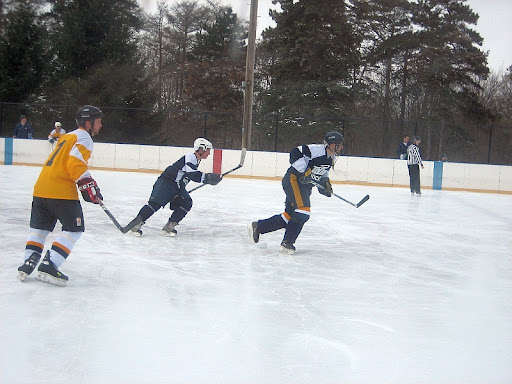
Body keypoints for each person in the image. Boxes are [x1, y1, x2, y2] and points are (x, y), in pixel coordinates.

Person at [17, 105, 104, 286]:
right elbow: (75, 164)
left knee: (40, 229)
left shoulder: (67, 136)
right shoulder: (85, 138)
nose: (100, 125)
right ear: (88, 123)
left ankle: (29, 260)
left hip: (41, 188)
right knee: (74, 228)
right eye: (98, 122)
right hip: (61, 190)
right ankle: (50, 263)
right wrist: (88, 185)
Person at [249, 131, 344, 254]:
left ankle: (259, 227)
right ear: (331, 145)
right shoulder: (316, 150)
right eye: (339, 145)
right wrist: (303, 171)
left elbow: (322, 174)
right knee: (303, 211)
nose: (341, 147)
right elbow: (295, 152)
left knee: (289, 216)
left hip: (305, 187)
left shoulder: (332, 158)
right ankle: (287, 243)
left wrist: (325, 185)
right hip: (293, 180)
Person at [127, 138, 223, 237]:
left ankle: (169, 226)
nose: (209, 153)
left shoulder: (196, 160)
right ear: (201, 149)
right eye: (208, 150)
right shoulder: (190, 157)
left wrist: (208, 179)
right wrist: (208, 178)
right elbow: (192, 174)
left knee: (186, 202)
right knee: (154, 205)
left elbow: (187, 176)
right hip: (166, 183)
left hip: (176, 186)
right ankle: (134, 226)